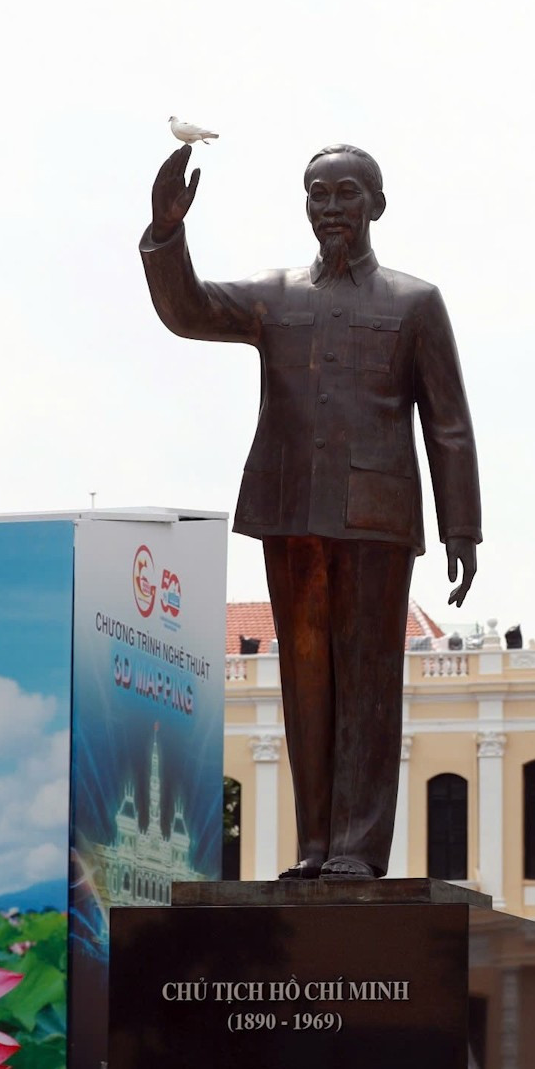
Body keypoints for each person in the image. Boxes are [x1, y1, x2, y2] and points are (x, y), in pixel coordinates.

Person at [144, 143, 482, 881]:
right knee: (306, 684)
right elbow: (189, 307)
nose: (331, 207)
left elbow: (447, 423)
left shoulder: (414, 302)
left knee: (367, 682)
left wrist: (463, 526)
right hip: (290, 509)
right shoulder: (276, 295)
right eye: (318, 194)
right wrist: (167, 234)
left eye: (346, 193)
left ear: (377, 204)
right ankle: (316, 846)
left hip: (376, 516)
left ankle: (359, 850)